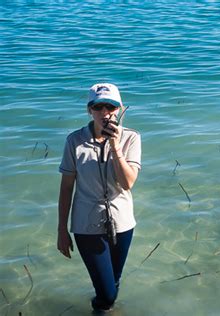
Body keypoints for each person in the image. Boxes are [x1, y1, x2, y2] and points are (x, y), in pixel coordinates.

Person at [57, 83, 141, 312]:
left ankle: (103, 310)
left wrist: (115, 146)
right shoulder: (74, 141)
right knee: (108, 293)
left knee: (113, 282)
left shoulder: (131, 138)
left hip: (122, 222)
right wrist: (62, 230)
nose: (105, 112)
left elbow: (127, 183)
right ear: (89, 110)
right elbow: (66, 188)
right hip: (87, 224)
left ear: (120, 108)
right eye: (98, 106)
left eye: (111, 106)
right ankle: (102, 306)